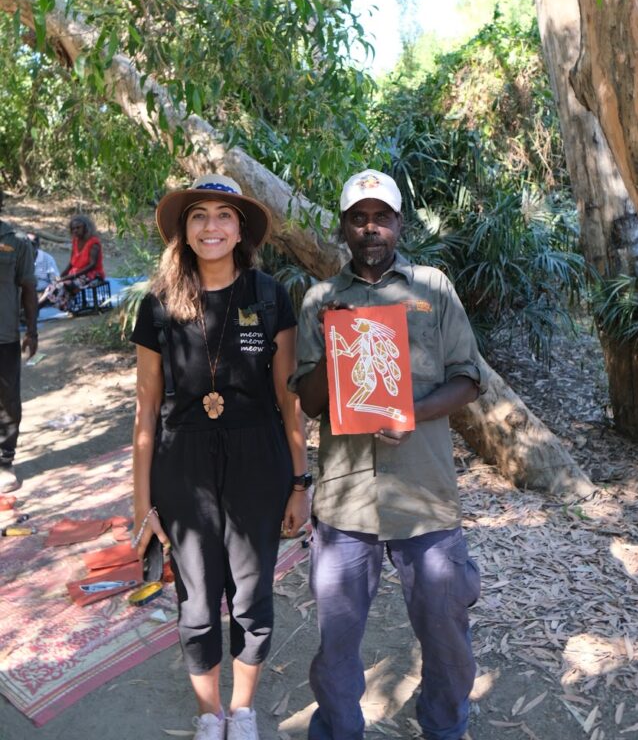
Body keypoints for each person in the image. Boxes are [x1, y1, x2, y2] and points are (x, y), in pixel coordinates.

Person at [291, 169, 488, 740]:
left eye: (381, 217)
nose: (370, 228)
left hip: (424, 498)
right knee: (336, 641)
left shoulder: (432, 288)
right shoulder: (321, 301)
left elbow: (468, 380)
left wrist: (410, 412)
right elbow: (305, 396)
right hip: (346, 503)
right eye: (359, 218)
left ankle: (445, 729)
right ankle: (337, 730)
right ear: (345, 228)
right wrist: (343, 354)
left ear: (399, 224)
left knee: (446, 637)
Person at [131, 173, 310, 740]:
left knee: (253, 592)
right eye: (199, 215)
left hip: (258, 456)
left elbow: (289, 399)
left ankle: (243, 711)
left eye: (224, 215)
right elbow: (145, 410)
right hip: (183, 460)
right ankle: (210, 715)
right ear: (184, 231)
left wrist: (300, 481)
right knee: (198, 597)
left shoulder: (268, 295)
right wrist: (142, 504)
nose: (212, 226)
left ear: (240, 230)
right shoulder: (158, 304)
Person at [0, 190, 38, 493]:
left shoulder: (15, 243)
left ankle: (5, 461)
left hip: (4, 338)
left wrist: (33, 331)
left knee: (8, 401)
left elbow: (28, 289)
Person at [38, 214, 105, 310]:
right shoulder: (75, 241)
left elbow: (92, 265)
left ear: (86, 228)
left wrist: (72, 276)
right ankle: (36, 308)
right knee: (54, 285)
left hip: (92, 275)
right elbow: (72, 262)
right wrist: (61, 275)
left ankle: (36, 309)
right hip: (77, 274)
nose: (75, 231)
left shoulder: (93, 243)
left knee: (63, 285)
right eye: (73, 229)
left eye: (78, 228)